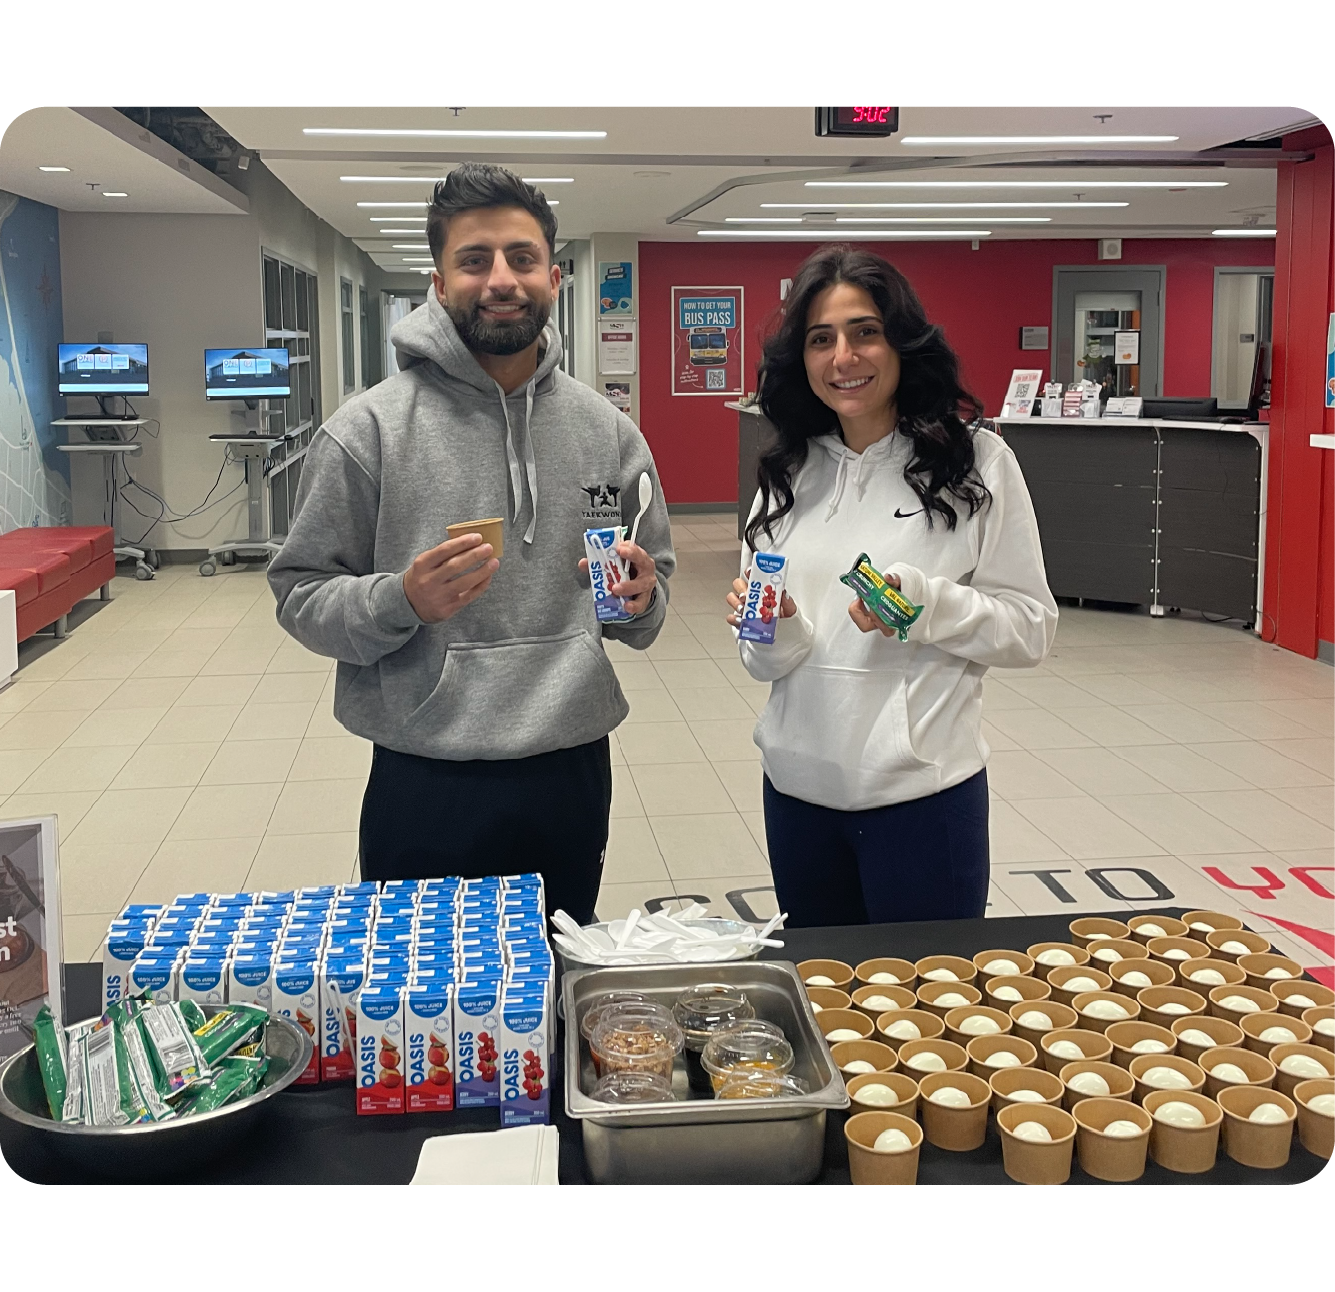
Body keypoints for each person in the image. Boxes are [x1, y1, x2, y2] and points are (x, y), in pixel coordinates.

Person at [269, 163, 674, 924]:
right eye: (474, 259)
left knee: (551, 986)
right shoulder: (367, 431)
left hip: (570, 764)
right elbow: (299, 594)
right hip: (426, 771)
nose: (501, 279)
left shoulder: (607, 431)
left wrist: (640, 599)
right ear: (439, 280)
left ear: (552, 276)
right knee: (421, 1014)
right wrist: (399, 600)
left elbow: (647, 598)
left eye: (521, 259)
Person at [725, 246, 1056, 928]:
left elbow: (1029, 629)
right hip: (796, 795)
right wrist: (773, 625)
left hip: (922, 798)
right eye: (820, 339)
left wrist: (925, 606)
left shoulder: (977, 464)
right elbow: (761, 662)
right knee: (823, 1001)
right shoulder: (783, 475)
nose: (843, 357)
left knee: (925, 1014)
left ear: (902, 343)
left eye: (864, 331)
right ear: (801, 359)